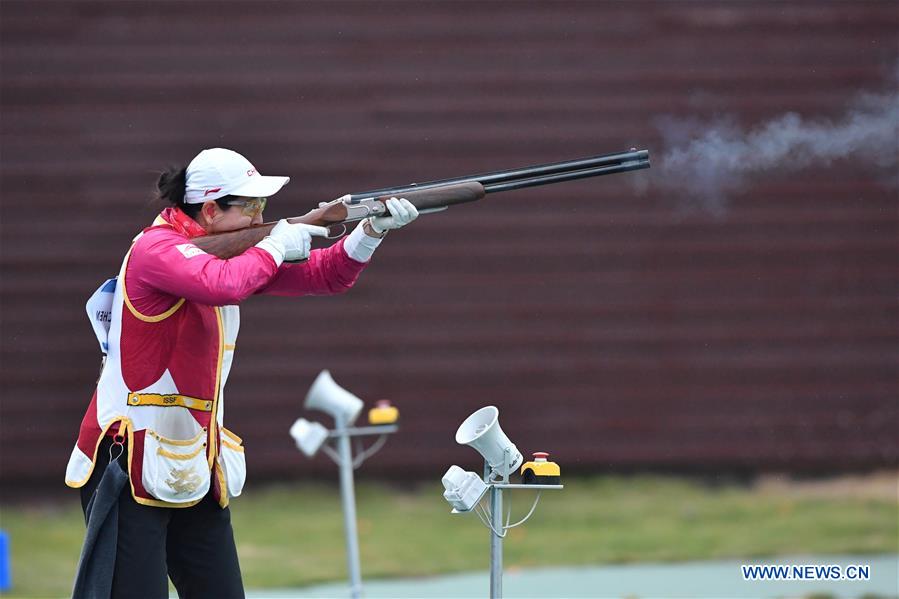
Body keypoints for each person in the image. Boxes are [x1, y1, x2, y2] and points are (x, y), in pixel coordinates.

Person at [64, 148, 418, 598]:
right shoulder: (154, 249)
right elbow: (221, 284)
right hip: (125, 459)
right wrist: (274, 244)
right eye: (250, 207)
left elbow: (326, 275)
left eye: (262, 208)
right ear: (210, 210)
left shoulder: (238, 253)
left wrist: (369, 233)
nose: (260, 218)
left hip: (193, 461)